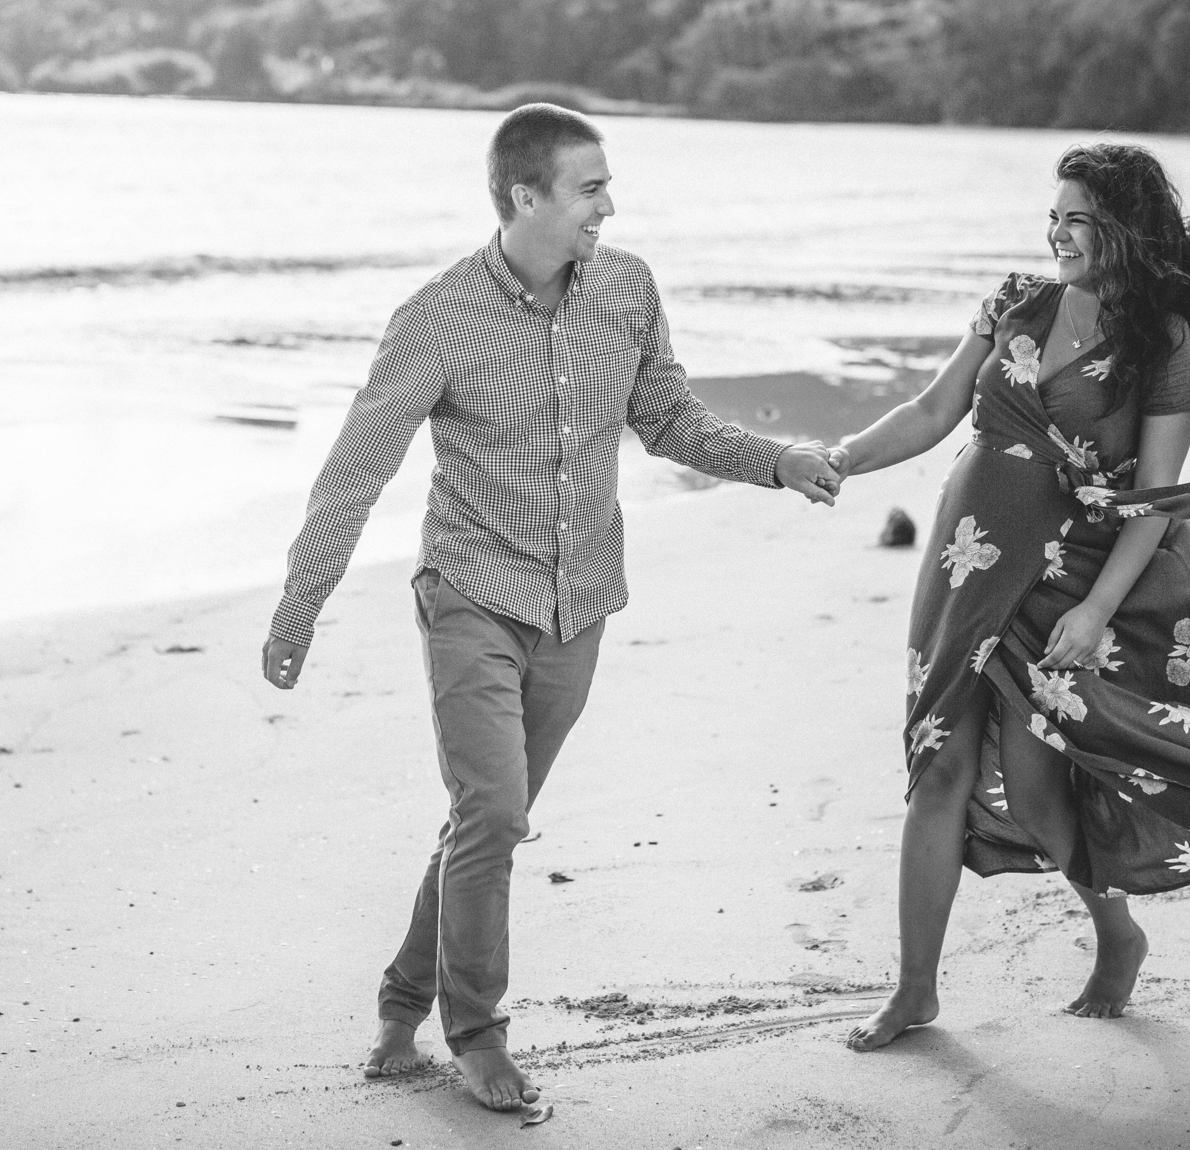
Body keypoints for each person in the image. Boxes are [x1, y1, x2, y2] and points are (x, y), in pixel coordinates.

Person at [260, 104, 842, 1110]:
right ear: (524, 195)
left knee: (485, 816)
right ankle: (476, 1035)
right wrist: (297, 606)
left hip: (578, 602)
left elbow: (666, 418)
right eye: (589, 187)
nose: (607, 207)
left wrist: (776, 460)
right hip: (471, 592)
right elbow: (356, 470)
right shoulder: (436, 318)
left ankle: (399, 1012)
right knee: (492, 811)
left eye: (606, 186)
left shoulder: (625, 286)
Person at [827, 142, 1190, 1051]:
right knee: (938, 761)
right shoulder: (1013, 303)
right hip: (967, 564)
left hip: (1065, 575)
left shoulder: (1165, 339)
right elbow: (928, 412)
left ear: (1125, 229)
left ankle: (1117, 932)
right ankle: (915, 990)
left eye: (1078, 218)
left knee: (1037, 794)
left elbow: (1156, 497)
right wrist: (837, 459)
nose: (1058, 232)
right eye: (1054, 214)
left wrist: (1096, 610)